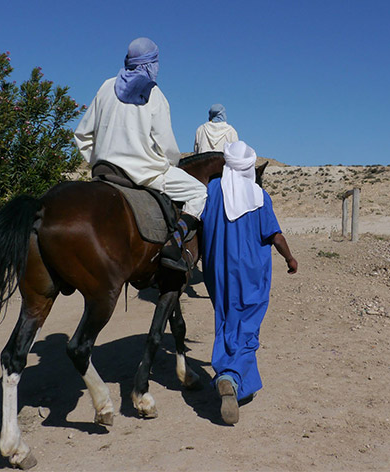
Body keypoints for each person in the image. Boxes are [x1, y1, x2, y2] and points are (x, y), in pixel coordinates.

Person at [74, 37, 206, 272]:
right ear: (151, 63)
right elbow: (167, 147)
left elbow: (82, 134)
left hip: (104, 169)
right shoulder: (155, 94)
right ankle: (174, 244)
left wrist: (97, 160)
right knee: (199, 192)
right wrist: (168, 164)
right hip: (143, 173)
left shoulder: (106, 86)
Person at [199, 140, 298, 425]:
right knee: (248, 324)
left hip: (218, 270)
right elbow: (275, 236)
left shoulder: (212, 191)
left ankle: (233, 377)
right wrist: (290, 259)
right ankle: (231, 377)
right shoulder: (258, 196)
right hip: (252, 273)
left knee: (227, 320)